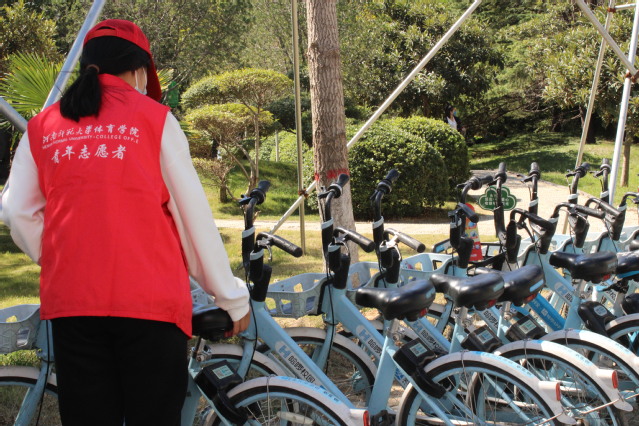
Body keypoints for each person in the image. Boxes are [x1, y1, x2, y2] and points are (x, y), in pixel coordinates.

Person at [2, 19, 250, 426]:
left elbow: (16, 211)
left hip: (73, 305)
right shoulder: (156, 119)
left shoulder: (43, 126)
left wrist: (63, 257)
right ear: (138, 71)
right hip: (150, 306)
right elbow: (192, 220)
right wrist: (230, 297)